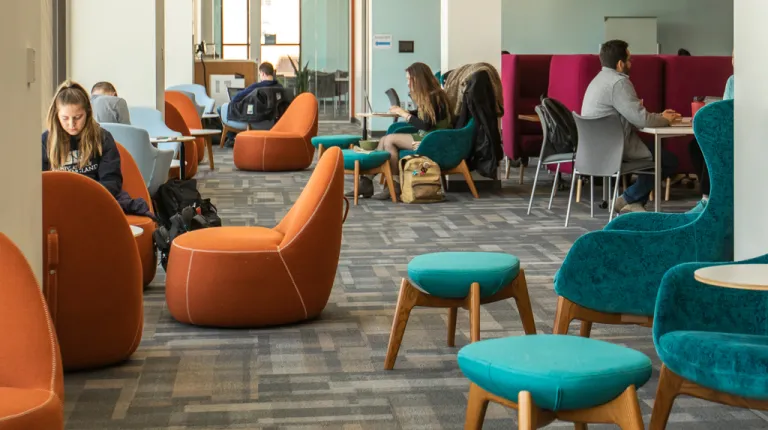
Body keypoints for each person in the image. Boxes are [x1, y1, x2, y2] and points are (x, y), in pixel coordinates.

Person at [582, 40, 680, 213]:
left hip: (594, 149)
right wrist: (666, 119)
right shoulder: (619, 83)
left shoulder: (598, 80)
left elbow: (635, 114)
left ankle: (634, 204)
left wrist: (658, 116)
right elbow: (641, 120)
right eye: (629, 60)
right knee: (668, 161)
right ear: (620, 64)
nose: (630, 63)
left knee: (657, 158)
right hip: (615, 148)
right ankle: (627, 199)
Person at [355, 62, 452, 201]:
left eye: (409, 79)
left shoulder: (434, 97)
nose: (407, 83)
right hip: (428, 135)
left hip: (433, 138)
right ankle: (368, 181)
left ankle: (391, 185)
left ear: (419, 78)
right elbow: (424, 116)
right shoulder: (431, 95)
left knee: (389, 140)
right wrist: (405, 112)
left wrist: (403, 113)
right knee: (384, 140)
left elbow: (425, 125)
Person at [43, 80, 123, 197]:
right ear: (56, 116)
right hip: (58, 200)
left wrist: (87, 198)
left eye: (78, 117)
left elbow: (111, 181)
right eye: (65, 118)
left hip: (95, 199)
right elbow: (40, 182)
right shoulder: (45, 141)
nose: (72, 124)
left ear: (88, 113)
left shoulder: (103, 138)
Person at [688, 50, 734, 211]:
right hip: (729, 130)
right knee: (695, 145)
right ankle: (709, 195)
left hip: (745, 133)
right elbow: (726, 109)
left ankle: (708, 199)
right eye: (733, 57)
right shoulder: (732, 81)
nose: (734, 61)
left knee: (712, 145)